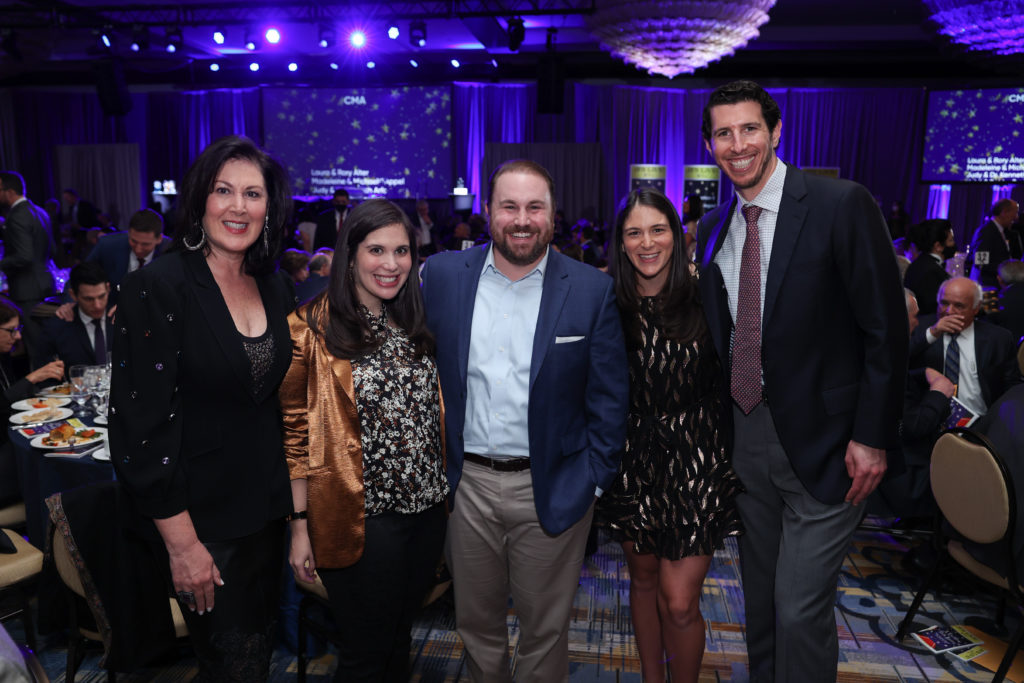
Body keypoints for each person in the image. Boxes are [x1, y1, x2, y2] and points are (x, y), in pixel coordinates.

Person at [695, 80, 907, 682]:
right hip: (746, 436)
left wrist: (873, 436)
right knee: (760, 603)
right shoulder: (713, 227)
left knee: (797, 607)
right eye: (724, 133)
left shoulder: (841, 204)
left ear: (776, 131)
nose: (738, 144)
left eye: (750, 129)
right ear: (710, 146)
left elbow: (885, 329)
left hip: (830, 442)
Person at [420, 159, 628, 682]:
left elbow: (609, 399)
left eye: (535, 207)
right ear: (488, 211)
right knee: (475, 626)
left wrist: (593, 481)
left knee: (545, 631)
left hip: (554, 486)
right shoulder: (442, 276)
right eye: (509, 206)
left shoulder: (591, 289)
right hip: (466, 488)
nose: (521, 219)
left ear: (553, 215)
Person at [109, 135, 295, 682]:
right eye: (223, 190)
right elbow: (140, 432)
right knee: (230, 668)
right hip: (201, 524)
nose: (238, 206)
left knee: (258, 658)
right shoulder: (157, 286)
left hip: (265, 514)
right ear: (200, 199)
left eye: (253, 194)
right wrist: (183, 546)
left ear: (270, 207)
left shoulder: (275, 284)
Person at [281, 199, 447, 681]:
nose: (391, 264)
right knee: (364, 656)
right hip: (363, 520)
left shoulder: (411, 319)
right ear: (349, 256)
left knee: (398, 641)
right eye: (377, 250)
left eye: (401, 251)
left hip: (425, 514)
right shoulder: (308, 329)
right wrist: (298, 528)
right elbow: (293, 437)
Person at [598, 188, 742, 682]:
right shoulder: (607, 303)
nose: (647, 243)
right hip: (632, 459)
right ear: (620, 242)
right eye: (634, 232)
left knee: (679, 601)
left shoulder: (708, 292)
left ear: (677, 236)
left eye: (658, 229)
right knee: (642, 581)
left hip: (698, 459)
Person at [910, 276, 1020, 418]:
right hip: (930, 419)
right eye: (944, 303)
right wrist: (933, 333)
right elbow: (898, 361)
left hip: (982, 420)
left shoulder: (998, 338)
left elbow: (1011, 386)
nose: (949, 311)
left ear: (976, 308)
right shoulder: (918, 328)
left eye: (959, 306)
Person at [0, 297, 64, 507]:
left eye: (18, 329)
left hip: (10, 442)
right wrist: (31, 378)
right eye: (11, 330)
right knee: (51, 471)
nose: (18, 336)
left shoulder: (4, 355)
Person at [0, 171, 56, 366]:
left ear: (9, 192)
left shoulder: (16, 216)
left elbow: (24, 256)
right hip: (46, 283)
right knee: (46, 343)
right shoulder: (40, 212)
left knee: (36, 348)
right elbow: (52, 249)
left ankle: (41, 384)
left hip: (27, 288)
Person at [39, 261, 113, 368]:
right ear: (73, 295)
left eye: (101, 296)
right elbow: (45, 372)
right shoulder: (56, 329)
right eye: (88, 299)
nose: (97, 305)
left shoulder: (122, 319)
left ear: (108, 289)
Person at [86, 208, 170, 293]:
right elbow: (83, 274)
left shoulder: (171, 251)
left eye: (145, 244)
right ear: (129, 233)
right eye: (134, 241)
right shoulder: (106, 245)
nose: (138, 249)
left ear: (159, 239)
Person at [904, 218, 954, 316]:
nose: (954, 244)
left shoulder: (921, 263)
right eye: (951, 240)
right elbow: (933, 310)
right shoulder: (930, 271)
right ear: (938, 246)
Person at [970, 198, 1020, 288]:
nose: (1016, 217)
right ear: (1004, 212)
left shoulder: (1002, 231)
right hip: (988, 287)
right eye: (1015, 213)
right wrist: (1008, 270)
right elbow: (981, 263)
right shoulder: (986, 231)